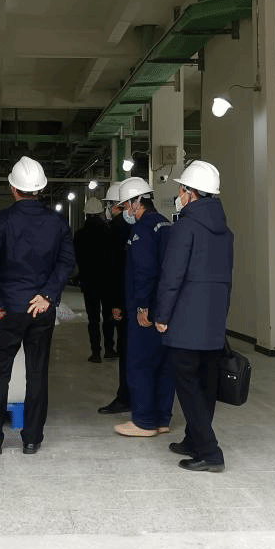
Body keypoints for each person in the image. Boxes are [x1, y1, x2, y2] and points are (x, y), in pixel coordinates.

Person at [0, 156, 76, 455]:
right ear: (40, 189)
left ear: (12, 188)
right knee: (37, 373)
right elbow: (66, 262)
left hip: (8, 309)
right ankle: (32, 439)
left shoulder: (1, 221)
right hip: (41, 310)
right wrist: (47, 295)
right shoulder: (57, 222)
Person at [154, 160, 233, 473]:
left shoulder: (185, 227)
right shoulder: (225, 232)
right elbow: (227, 279)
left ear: (191, 192)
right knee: (206, 385)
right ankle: (192, 439)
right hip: (213, 322)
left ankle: (210, 452)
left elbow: (172, 276)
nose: (178, 194)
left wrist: (162, 314)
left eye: (181, 189)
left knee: (187, 386)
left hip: (186, 322)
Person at [113, 177, 175, 438]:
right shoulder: (165, 224)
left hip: (148, 311)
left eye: (125, 205)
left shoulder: (142, 229)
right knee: (163, 366)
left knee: (140, 364)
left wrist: (142, 307)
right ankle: (161, 419)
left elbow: (145, 270)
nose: (125, 210)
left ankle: (144, 421)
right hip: (166, 308)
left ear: (137, 202)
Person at [97, 182, 131, 415]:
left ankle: (125, 397)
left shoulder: (117, 228)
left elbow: (115, 268)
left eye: (109, 205)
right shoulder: (137, 225)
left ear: (116, 204)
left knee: (126, 350)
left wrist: (115, 303)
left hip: (123, 298)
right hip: (137, 298)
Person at [73, 196, 113, 362]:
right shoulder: (109, 232)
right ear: (101, 212)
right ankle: (109, 349)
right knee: (108, 316)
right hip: (107, 281)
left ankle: (96, 353)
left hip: (89, 282)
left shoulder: (79, 235)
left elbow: (76, 258)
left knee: (93, 319)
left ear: (86, 213)